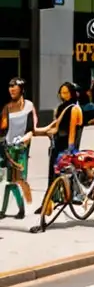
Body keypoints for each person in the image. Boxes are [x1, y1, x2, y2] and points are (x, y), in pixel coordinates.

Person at [34, 81, 83, 192]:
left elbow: (72, 130)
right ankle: (52, 199)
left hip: (66, 145)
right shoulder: (60, 108)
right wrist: (37, 131)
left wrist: (70, 149)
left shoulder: (74, 108)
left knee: (65, 173)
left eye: (66, 92)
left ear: (72, 93)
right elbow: (54, 126)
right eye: (62, 93)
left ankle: (68, 196)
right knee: (54, 173)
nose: (64, 95)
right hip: (57, 143)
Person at [0, 78, 36, 219]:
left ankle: (26, 206)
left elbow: (31, 130)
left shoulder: (29, 106)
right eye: (10, 89)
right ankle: (14, 209)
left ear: (21, 90)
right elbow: (2, 128)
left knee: (19, 180)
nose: (11, 91)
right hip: (8, 148)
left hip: (21, 149)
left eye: (14, 89)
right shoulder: (7, 108)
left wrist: (22, 139)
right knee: (10, 180)